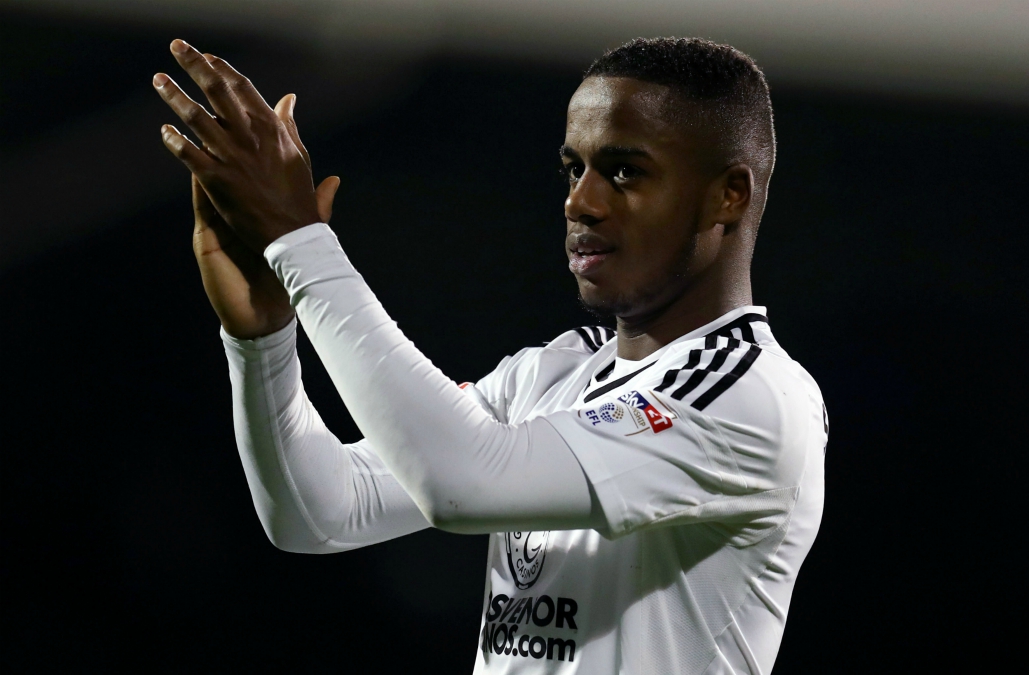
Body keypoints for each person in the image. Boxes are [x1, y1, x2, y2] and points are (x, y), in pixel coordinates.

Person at [153, 35, 826, 674]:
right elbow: (323, 511)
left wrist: (298, 242)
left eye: (624, 171)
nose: (579, 201)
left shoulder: (749, 394)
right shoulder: (551, 373)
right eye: (574, 168)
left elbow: (461, 482)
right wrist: (265, 337)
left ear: (727, 194)